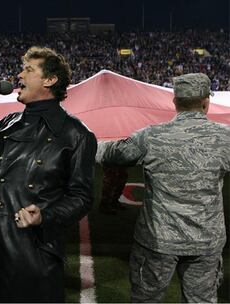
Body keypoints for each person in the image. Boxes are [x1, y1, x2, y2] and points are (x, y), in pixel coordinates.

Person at [0, 46, 97, 302]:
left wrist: (46, 215)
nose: (19, 75)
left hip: (35, 250)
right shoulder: (7, 123)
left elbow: (81, 197)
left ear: (50, 80)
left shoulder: (76, 134)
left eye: (28, 70)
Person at [96, 73, 229, 303]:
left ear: (175, 102)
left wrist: (85, 141)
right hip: (206, 241)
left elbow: (111, 154)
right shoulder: (225, 137)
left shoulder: (151, 136)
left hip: (157, 241)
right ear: (206, 102)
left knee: (146, 300)